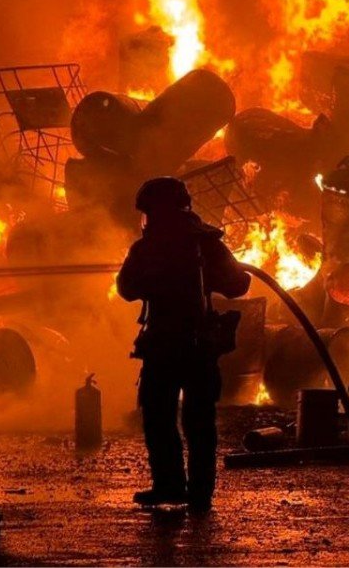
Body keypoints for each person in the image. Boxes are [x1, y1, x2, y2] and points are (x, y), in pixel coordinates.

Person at [117, 176, 251, 512]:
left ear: (155, 211)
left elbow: (126, 288)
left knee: (159, 418)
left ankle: (170, 486)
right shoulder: (207, 243)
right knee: (200, 422)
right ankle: (200, 494)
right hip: (199, 348)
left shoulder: (146, 248)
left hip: (163, 346)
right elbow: (238, 285)